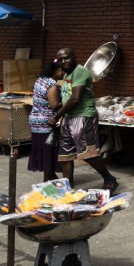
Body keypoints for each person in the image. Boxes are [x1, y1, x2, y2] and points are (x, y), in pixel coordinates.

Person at [47, 48, 118, 193]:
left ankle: (109, 178)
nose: (64, 62)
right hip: (68, 117)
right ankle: (68, 187)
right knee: (65, 155)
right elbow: (65, 93)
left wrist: (56, 116)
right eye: (60, 59)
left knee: (88, 154)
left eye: (66, 58)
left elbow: (75, 98)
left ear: (74, 56)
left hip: (83, 116)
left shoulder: (80, 71)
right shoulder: (66, 73)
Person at [27, 61, 63, 181]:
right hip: (46, 122)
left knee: (43, 151)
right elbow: (54, 105)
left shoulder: (40, 80)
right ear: (55, 71)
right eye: (61, 70)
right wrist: (67, 101)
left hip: (35, 120)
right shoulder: (52, 84)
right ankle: (47, 181)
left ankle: (50, 179)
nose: (62, 73)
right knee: (49, 153)